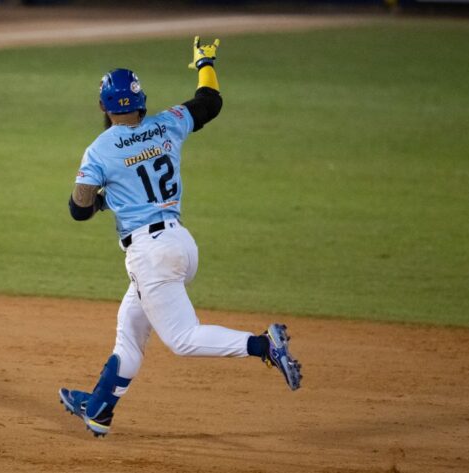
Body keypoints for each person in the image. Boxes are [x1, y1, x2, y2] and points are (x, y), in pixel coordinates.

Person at [60, 37, 302, 437]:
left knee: (183, 339)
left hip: (150, 255)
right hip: (182, 246)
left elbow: (78, 209)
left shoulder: (99, 151)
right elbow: (210, 101)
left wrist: (104, 200)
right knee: (130, 330)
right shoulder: (167, 122)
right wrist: (205, 61)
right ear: (140, 101)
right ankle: (99, 409)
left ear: (103, 107)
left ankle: (265, 347)